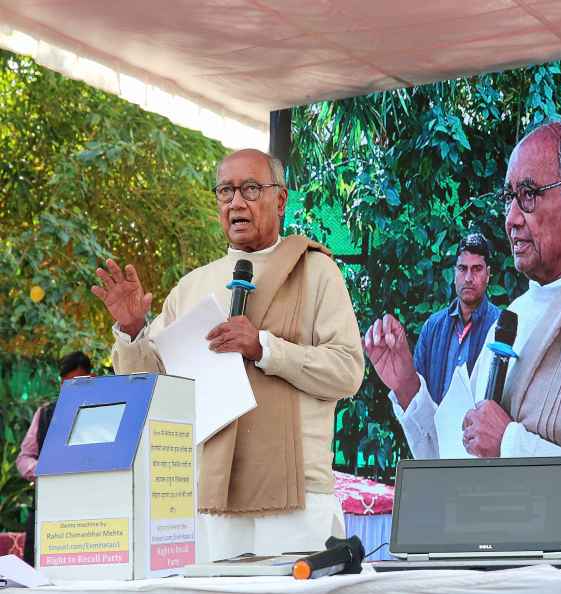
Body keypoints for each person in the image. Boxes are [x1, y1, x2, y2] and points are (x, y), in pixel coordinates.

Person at [365, 121, 561, 561]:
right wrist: (408, 387)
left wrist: (511, 444)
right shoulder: (512, 319)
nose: (511, 218)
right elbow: (459, 466)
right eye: (509, 198)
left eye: (528, 194)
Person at [91, 148, 364, 561]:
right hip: (215, 496)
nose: (236, 202)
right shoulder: (193, 287)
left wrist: (264, 348)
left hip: (298, 498)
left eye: (251, 189)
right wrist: (132, 331)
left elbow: (348, 372)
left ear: (280, 199)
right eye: (226, 191)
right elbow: (153, 386)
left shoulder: (315, 271)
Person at [401, 232, 500, 406]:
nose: (469, 278)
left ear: (488, 274)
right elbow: (417, 392)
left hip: (479, 432)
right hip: (435, 430)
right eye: (462, 269)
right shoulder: (433, 327)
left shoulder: (499, 326)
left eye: (477, 269)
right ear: (454, 273)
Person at [17, 351, 93, 566]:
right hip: (46, 508)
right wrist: (44, 469)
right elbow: (24, 458)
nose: (70, 390)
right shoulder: (45, 413)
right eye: (65, 384)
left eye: (76, 382)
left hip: (86, 511)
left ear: (91, 377)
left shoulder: (104, 411)